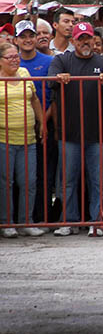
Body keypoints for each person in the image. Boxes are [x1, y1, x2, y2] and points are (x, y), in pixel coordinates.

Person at [48, 22, 103, 237]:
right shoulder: (62, 60)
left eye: (88, 37)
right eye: (80, 38)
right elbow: (50, 79)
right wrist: (59, 78)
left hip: (98, 134)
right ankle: (68, 221)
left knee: (99, 181)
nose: (85, 42)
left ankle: (97, 221)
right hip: (69, 134)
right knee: (67, 180)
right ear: (73, 41)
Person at [0, 43, 45, 238]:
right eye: (9, 57)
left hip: (28, 138)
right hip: (4, 138)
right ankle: (6, 223)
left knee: (29, 182)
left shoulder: (25, 73)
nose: (14, 60)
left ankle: (26, 221)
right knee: (6, 182)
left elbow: (34, 99)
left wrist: (42, 122)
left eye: (16, 56)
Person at [14, 21, 54, 226]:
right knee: (15, 176)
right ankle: (14, 219)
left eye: (31, 35)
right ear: (16, 40)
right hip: (16, 127)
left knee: (42, 174)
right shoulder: (11, 62)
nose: (28, 40)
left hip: (44, 125)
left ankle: (41, 217)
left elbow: (54, 96)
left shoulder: (49, 61)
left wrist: (43, 122)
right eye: (23, 36)